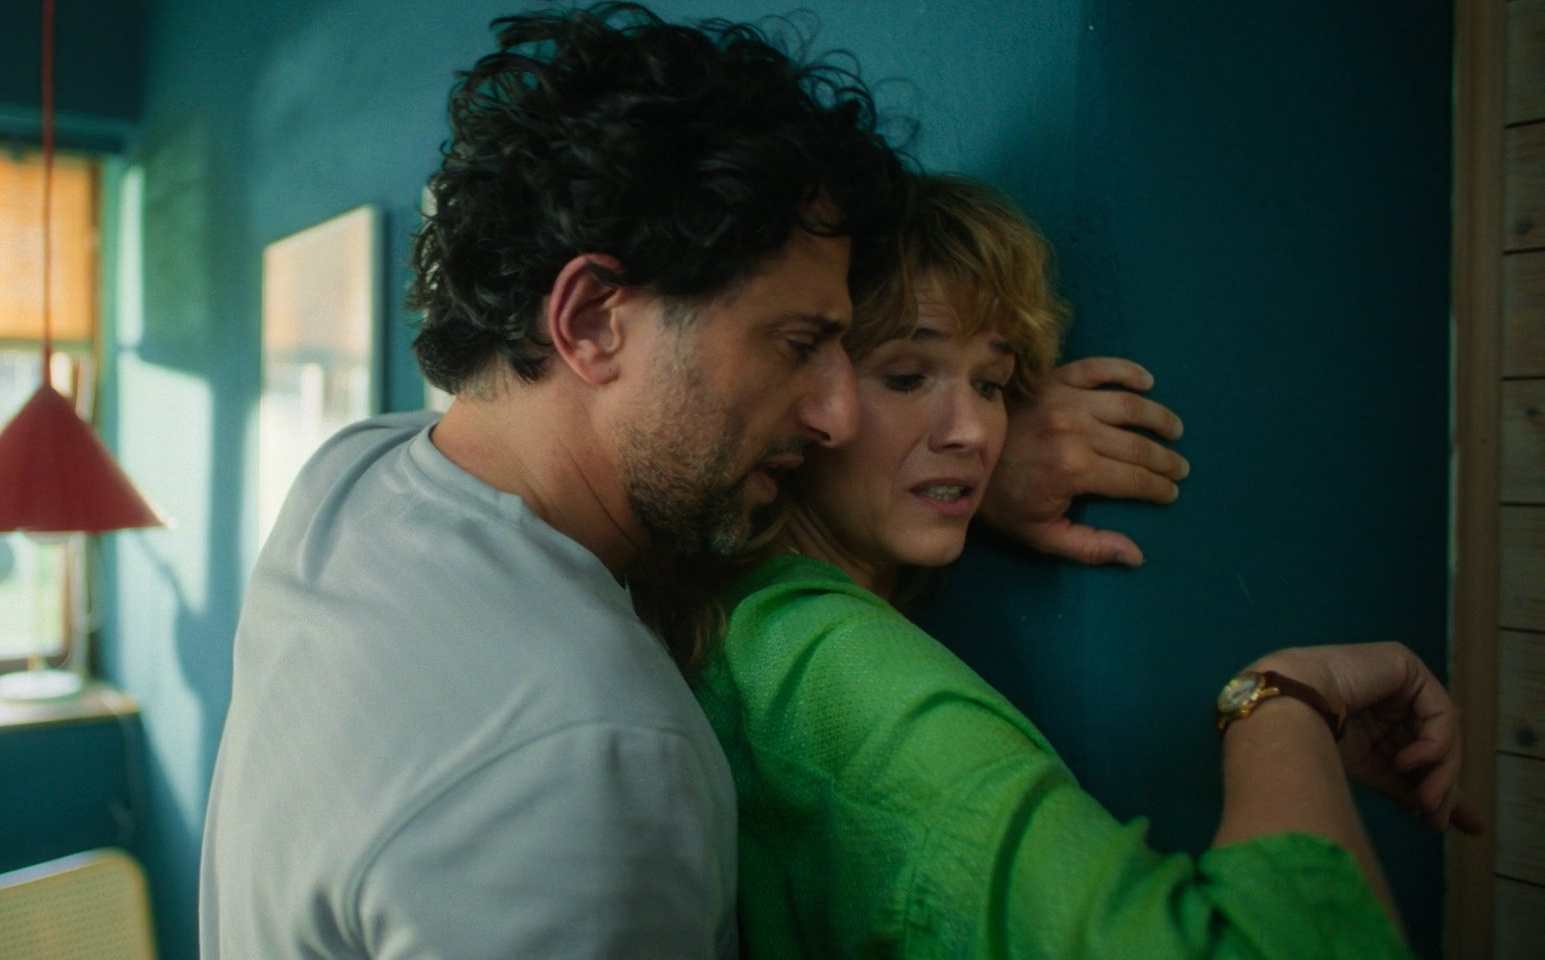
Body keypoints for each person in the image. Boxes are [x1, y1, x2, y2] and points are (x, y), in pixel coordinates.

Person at [201, 4, 1186, 956]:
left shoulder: (351, 480)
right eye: (795, 345)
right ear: (590, 320)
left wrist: (947, 454)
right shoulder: (596, 758)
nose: (835, 415)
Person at [676, 174, 1483, 958]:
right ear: (810, 399)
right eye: (907, 376)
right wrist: (1285, 703)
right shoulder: (840, 673)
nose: (973, 433)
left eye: (992, 384)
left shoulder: (741, 610)